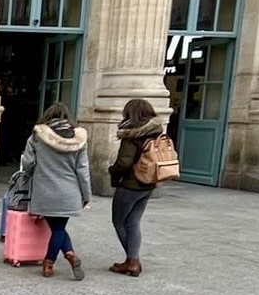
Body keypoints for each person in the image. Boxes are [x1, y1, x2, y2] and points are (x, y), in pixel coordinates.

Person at [21, 102, 91, 280]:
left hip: (45, 190)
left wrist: (27, 176)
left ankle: (49, 262)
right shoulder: (78, 139)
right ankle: (69, 254)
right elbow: (82, 170)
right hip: (69, 191)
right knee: (59, 227)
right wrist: (86, 195)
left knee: (57, 228)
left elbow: (28, 163)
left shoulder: (37, 137)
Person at [107, 98, 163, 277]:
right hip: (149, 182)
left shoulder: (132, 134)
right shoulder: (157, 132)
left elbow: (124, 162)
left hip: (131, 183)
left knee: (119, 221)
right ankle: (132, 260)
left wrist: (112, 170)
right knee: (134, 221)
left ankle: (132, 260)